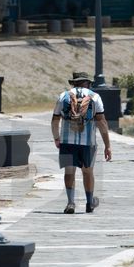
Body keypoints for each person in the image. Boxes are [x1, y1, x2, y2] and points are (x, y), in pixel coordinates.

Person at [51, 71, 112, 214]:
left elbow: (54, 120)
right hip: (88, 142)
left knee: (69, 171)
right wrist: (107, 145)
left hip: (67, 141)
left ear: (74, 83)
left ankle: (71, 202)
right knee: (87, 172)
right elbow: (101, 123)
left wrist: (56, 138)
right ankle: (89, 202)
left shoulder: (63, 96)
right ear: (87, 83)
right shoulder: (94, 97)